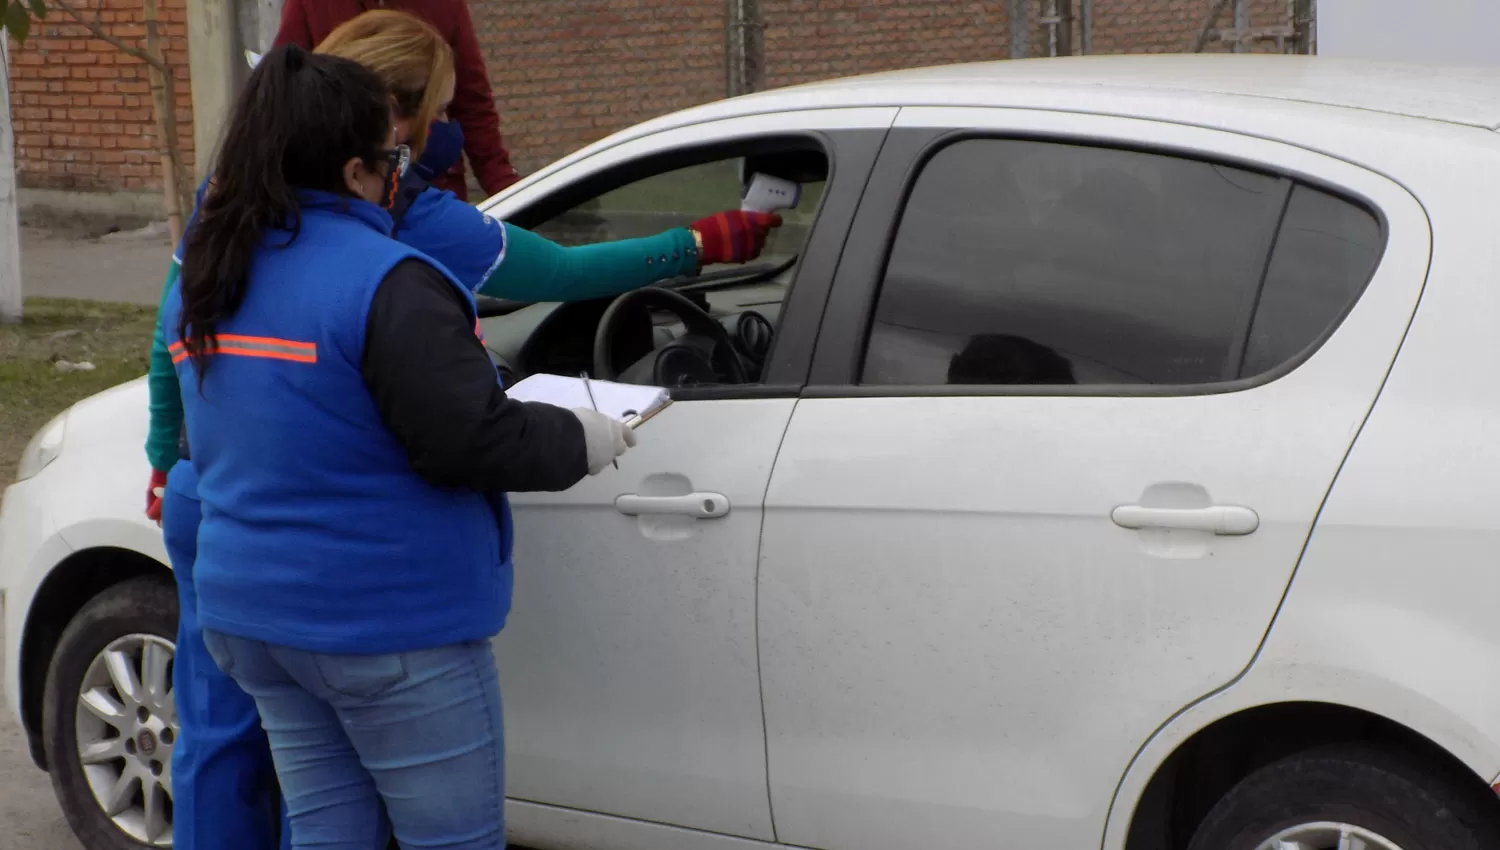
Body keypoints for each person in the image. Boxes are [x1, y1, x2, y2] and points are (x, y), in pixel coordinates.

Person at [163, 44, 631, 850]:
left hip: (258, 621)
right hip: (387, 627)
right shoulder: (390, 281)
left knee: (327, 829)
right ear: (354, 171)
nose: (399, 177)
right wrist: (581, 437)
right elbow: (469, 440)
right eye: (394, 160)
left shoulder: (210, 274)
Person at [273, 0, 518, 200]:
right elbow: (285, 90)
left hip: (433, 183)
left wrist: (508, 188)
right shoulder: (311, 5)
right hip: (351, 188)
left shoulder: (446, 5)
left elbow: (473, 103)